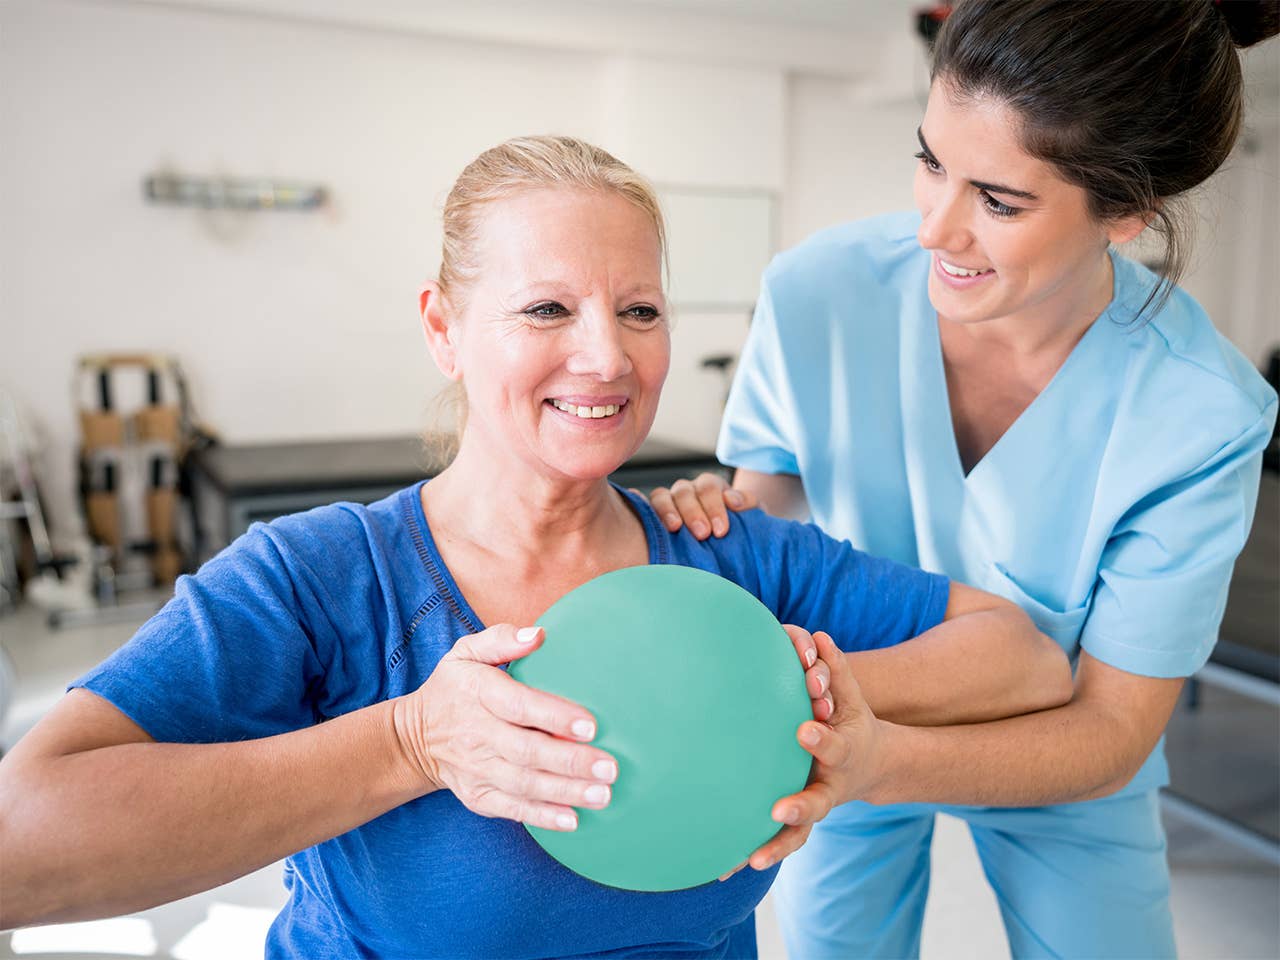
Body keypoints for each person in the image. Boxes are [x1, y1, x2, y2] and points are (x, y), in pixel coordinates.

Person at [0, 136, 1071, 959]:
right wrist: (413, 744)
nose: (605, 356)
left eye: (639, 309)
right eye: (547, 307)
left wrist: (794, 694)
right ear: (442, 328)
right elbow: (21, 844)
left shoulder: (729, 559)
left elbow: (1017, 656)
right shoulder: (321, 578)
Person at [651, 1, 1280, 957]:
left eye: (999, 200)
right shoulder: (816, 290)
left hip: (1056, 751)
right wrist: (720, 523)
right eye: (930, 160)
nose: (935, 228)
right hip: (843, 698)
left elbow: (1112, 727)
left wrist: (883, 759)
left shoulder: (1199, 412)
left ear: (1126, 211)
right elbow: (765, 516)